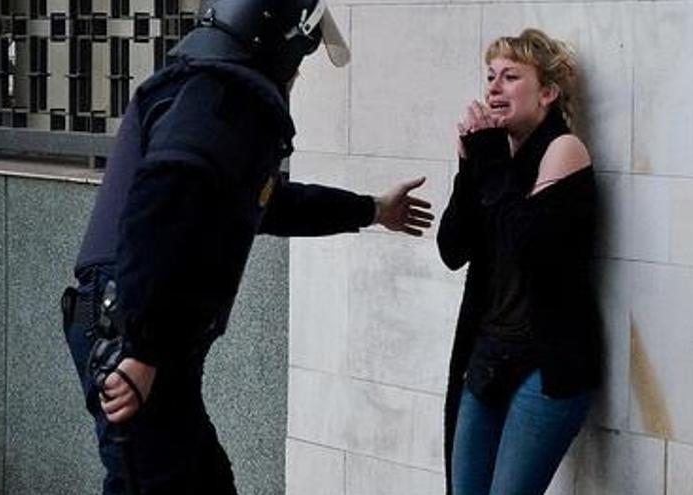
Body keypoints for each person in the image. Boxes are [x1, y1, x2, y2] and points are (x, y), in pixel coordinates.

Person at [59, 0, 434, 493]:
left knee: (201, 481)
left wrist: (371, 210)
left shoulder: (209, 92)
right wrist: (142, 350)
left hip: (141, 328)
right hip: (129, 327)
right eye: (299, 59)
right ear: (274, 43)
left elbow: (265, 202)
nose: (297, 75)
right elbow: (166, 199)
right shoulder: (220, 93)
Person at [437, 28, 602, 495]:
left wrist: (489, 166)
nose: (493, 87)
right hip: (487, 359)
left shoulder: (563, 151)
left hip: (546, 367)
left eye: (511, 76)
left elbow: (528, 243)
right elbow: (452, 250)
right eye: (490, 76)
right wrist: (469, 171)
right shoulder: (495, 158)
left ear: (547, 92)